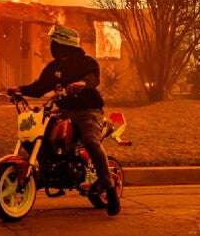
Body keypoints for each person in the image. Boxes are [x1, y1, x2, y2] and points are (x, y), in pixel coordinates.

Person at [9, 24, 120, 216]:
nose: (51, 46)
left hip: (88, 111)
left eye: (54, 43)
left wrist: (83, 83)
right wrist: (19, 90)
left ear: (64, 44)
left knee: (91, 142)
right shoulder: (54, 67)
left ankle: (110, 190)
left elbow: (93, 78)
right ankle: (47, 171)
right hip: (63, 112)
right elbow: (39, 87)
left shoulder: (87, 63)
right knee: (39, 136)